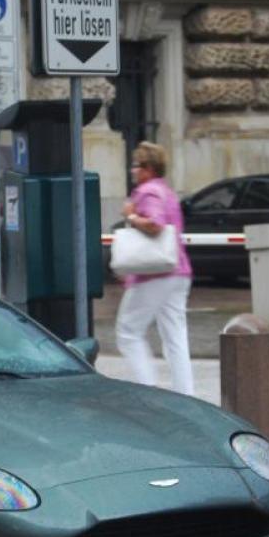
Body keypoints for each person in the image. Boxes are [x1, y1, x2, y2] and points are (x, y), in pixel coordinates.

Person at [115, 142, 195, 396]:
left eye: (136, 165)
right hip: (178, 271)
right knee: (175, 337)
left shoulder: (148, 192)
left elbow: (155, 224)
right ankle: (185, 394)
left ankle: (148, 392)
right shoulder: (167, 192)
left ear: (148, 168)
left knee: (128, 332)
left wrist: (131, 216)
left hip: (154, 274)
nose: (133, 170)